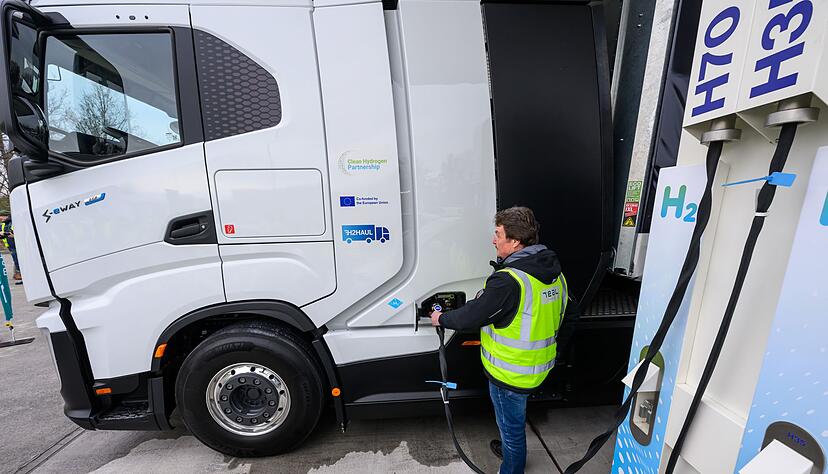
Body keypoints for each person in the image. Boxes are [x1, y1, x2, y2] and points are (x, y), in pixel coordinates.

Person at [430, 206, 567, 474]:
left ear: (515, 241)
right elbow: (564, 315)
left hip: (510, 373)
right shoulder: (554, 273)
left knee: (512, 428)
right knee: (514, 421)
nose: (494, 240)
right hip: (537, 367)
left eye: (498, 234)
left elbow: (472, 317)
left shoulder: (510, 281)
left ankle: (511, 467)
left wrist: (441, 319)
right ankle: (510, 450)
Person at [0, 211, 21, 281]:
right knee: (16, 261)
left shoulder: (14, 222)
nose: (0, 218)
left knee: (19, 261)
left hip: (18, 245)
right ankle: (18, 275)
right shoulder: (3, 224)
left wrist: (13, 235)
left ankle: (19, 275)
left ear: (6, 216)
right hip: (11, 247)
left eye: (1, 216)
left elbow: (16, 232)